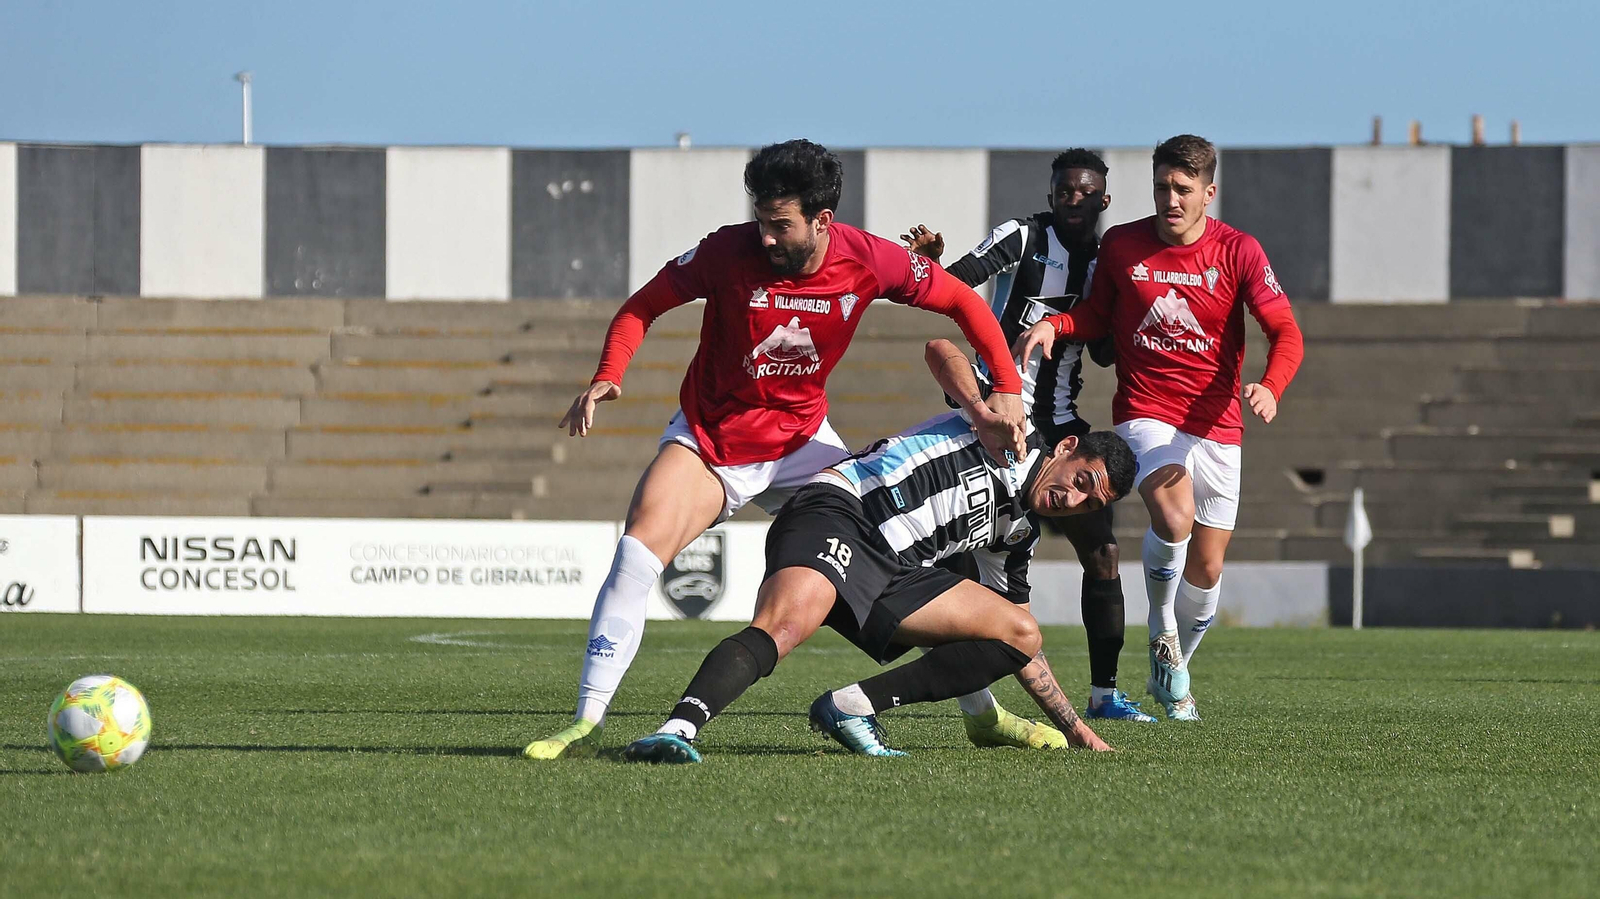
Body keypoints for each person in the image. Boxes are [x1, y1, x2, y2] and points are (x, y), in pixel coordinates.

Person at [524, 139, 1028, 759]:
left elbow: (962, 301)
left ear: (822, 220)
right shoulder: (724, 250)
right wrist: (609, 373)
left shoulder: (870, 259)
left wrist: (1006, 388)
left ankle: (982, 712)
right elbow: (642, 306)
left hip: (804, 445)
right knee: (635, 554)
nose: (764, 237)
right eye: (760, 220)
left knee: (904, 562)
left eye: (779, 225)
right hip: (713, 441)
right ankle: (585, 720)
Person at [620, 339, 1137, 763]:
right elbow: (939, 349)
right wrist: (979, 410)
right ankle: (676, 730)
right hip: (844, 512)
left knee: (1020, 631)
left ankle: (852, 706)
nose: (1074, 500)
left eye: (1091, 502)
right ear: (1068, 450)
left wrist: (1075, 730)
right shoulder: (1010, 429)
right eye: (1082, 481)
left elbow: (1023, 647)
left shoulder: (1018, 533)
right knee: (784, 627)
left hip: (897, 571)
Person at [1014, 134, 1305, 720]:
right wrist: (1058, 327)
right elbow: (1097, 315)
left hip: (1217, 422)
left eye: (1182, 189)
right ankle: (1161, 628)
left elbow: (1286, 331)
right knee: (1172, 515)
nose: (1170, 199)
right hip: (1146, 412)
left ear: (1208, 193)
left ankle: (1174, 670)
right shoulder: (1124, 245)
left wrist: (1270, 386)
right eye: (1161, 187)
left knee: (1209, 567)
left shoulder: (1240, 251)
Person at [902, 148, 1156, 725]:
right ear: (1051, 194)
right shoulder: (1021, 236)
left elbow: (1104, 351)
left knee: (1104, 551)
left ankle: (1104, 694)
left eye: (1085, 193)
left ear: (1104, 200)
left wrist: (1124, 315)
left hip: (1060, 423)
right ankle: (969, 683)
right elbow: (958, 287)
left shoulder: (1110, 260)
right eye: (1064, 190)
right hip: (999, 407)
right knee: (967, 546)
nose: (1074, 200)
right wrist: (933, 265)